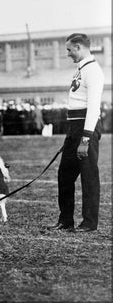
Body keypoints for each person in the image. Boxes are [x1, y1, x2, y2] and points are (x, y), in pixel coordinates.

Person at [48, 33, 104, 233]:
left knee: (88, 176)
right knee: (65, 174)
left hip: (85, 128)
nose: (68, 54)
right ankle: (65, 220)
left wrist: (86, 137)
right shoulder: (81, 69)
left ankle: (89, 223)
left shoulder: (93, 71)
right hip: (74, 127)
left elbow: (94, 108)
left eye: (69, 49)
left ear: (79, 47)